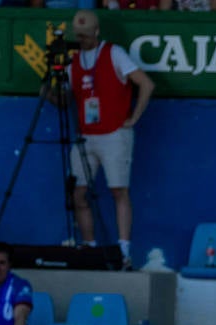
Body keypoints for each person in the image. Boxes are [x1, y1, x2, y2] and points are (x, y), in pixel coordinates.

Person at [64, 9, 155, 267]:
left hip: (115, 133)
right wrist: (47, 87)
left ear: (96, 31)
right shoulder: (73, 61)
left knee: (118, 191)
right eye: (78, 36)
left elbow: (146, 84)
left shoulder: (114, 52)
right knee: (78, 193)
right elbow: (63, 101)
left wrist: (134, 118)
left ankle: (124, 249)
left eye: (86, 35)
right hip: (86, 136)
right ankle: (89, 246)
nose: (82, 40)